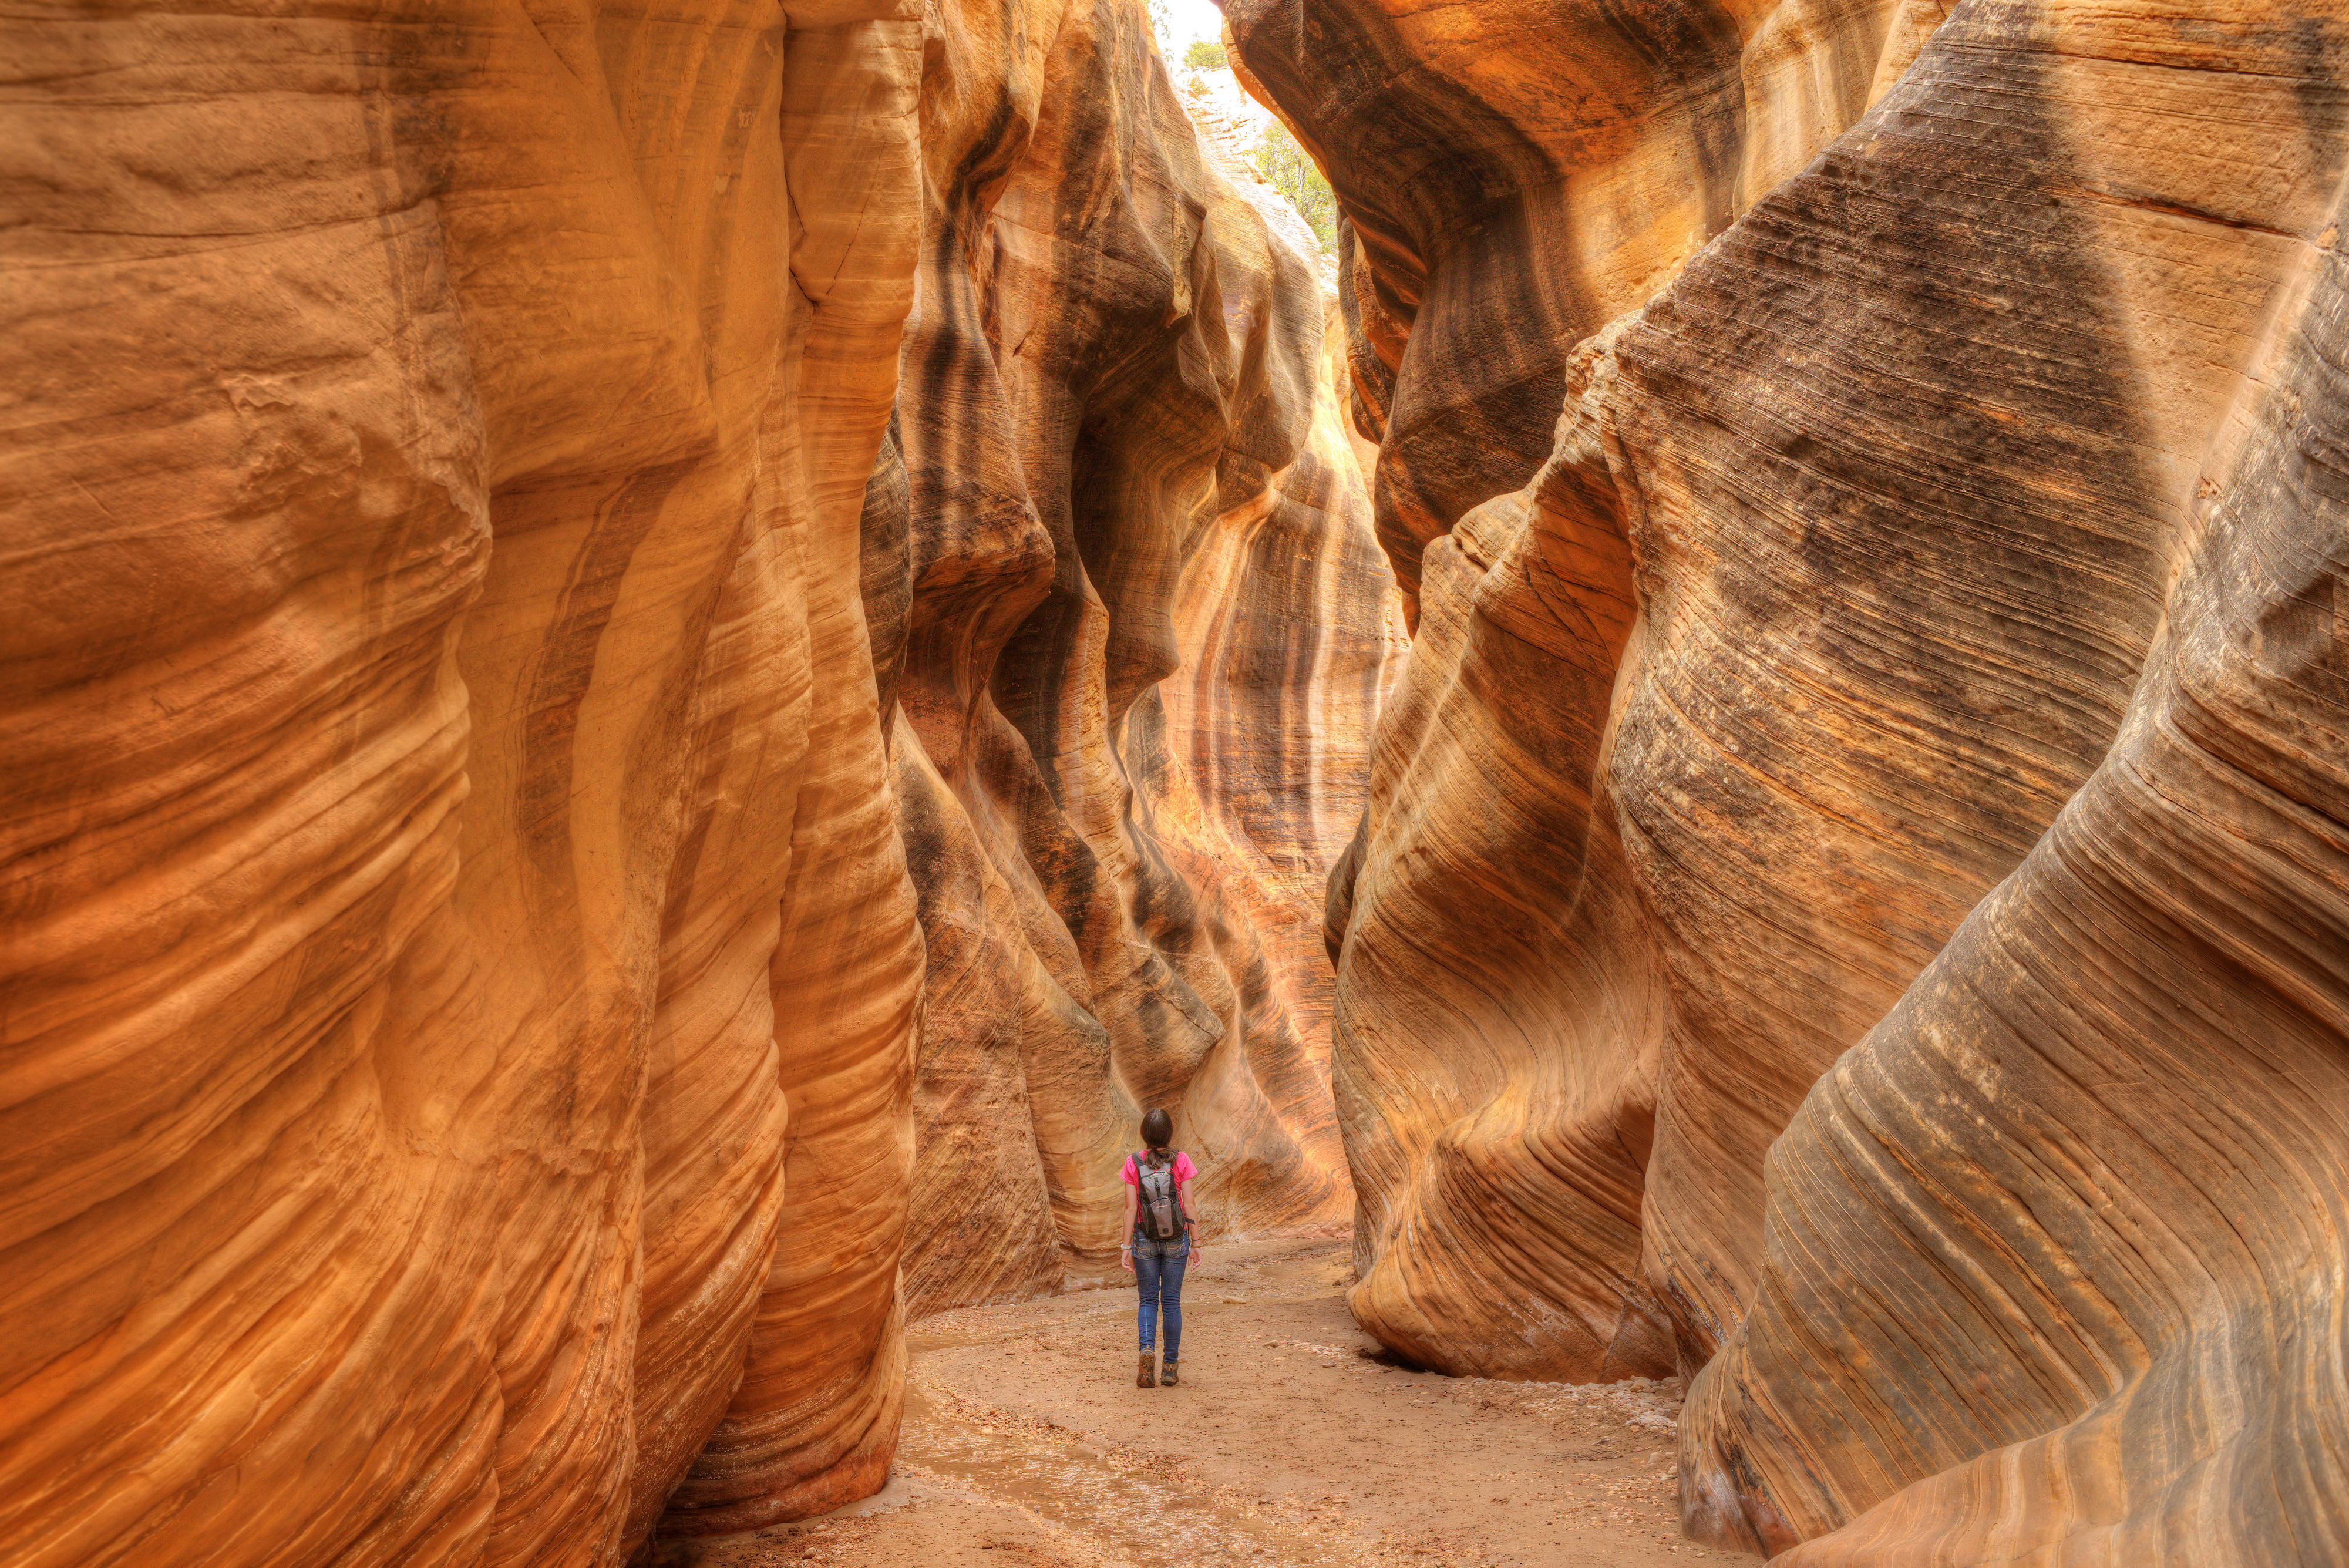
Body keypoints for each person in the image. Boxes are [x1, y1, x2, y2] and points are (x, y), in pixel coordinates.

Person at [1119, 1107, 1200, 1388]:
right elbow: (1188, 1204)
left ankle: (1146, 1352)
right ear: (1169, 1133)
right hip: (1177, 1240)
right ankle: (1170, 1368)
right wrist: (1197, 1242)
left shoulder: (1133, 1162)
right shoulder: (1182, 1160)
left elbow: (1131, 1209)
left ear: (1144, 1134)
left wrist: (1126, 1246)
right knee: (1171, 1303)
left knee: (1148, 1301)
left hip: (1144, 1240)